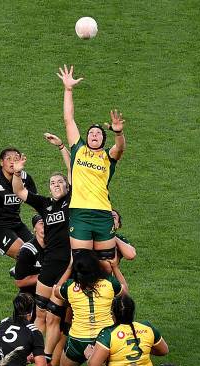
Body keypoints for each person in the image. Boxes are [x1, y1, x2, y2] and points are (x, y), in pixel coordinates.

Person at [12, 139, 72, 366]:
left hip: (66, 264)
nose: (56, 184)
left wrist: (61, 148)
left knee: (56, 317)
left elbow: (73, 172)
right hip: (49, 263)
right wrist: (17, 172)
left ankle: (46, 363)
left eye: (60, 182)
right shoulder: (46, 205)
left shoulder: (72, 201)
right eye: (52, 183)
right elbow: (19, 191)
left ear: (67, 187)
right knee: (41, 315)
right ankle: (39, 358)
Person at [57, 65, 126, 259]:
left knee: (106, 261)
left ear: (104, 140)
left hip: (103, 212)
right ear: (86, 138)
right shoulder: (78, 149)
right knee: (80, 259)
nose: (94, 134)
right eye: (91, 133)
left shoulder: (107, 156)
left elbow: (120, 148)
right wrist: (68, 90)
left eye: (98, 133)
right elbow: (68, 119)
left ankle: (107, 289)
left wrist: (118, 132)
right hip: (79, 213)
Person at [53, 250, 127, 366]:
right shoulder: (109, 283)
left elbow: (55, 291)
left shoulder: (70, 287)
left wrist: (69, 267)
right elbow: (124, 291)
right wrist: (115, 267)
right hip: (105, 339)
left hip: (78, 339)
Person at [12, 215, 45, 328]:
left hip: (50, 295)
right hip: (30, 297)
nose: (45, 226)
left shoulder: (58, 247)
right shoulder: (27, 250)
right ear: (34, 228)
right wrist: (47, 275)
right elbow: (20, 282)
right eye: (41, 223)